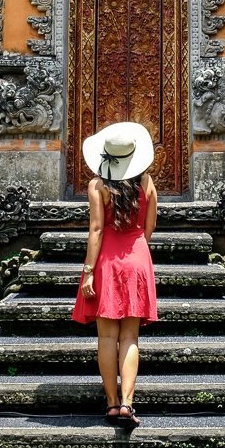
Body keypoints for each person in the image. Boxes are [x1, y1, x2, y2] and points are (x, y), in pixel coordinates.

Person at [71, 120, 158, 428]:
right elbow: (148, 229)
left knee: (107, 336)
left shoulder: (98, 186)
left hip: (106, 259)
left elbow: (96, 230)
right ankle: (128, 404)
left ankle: (110, 403)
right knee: (131, 337)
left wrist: (89, 271)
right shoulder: (147, 183)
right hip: (137, 257)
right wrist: (136, 252)